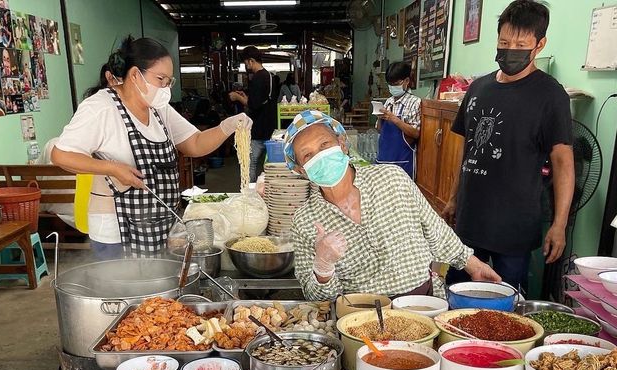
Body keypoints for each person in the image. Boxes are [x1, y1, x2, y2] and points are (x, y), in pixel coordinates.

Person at [52, 36, 251, 258]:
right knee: (127, 289)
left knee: (159, 289)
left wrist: (227, 127)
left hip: (161, 225)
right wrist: (112, 168)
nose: (165, 87)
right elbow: (61, 155)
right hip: (116, 230)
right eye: (160, 79)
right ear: (135, 75)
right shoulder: (101, 108)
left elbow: (194, 144)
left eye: (169, 81)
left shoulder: (158, 109)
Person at [284, 110, 500, 301]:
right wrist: (323, 267)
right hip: (360, 320)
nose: (320, 156)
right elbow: (314, 296)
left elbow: (436, 230)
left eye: (324, 144)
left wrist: (475, 265)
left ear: (341, 143)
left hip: (423, 304)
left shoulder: (392, 178)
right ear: (302, 170)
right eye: (308, 155)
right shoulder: (304, 221)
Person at [443, 0, 574, 293]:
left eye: (520, 43)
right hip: (470, 219)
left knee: (504, 307)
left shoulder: (550, 95)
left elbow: (563, 162)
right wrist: (454, 198)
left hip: (514, 226)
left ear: (539, 45)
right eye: (504, 41)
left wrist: (559, 224)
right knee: (456, 296)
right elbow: (466, 151)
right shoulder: (478, 88)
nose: (510, 49)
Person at [228, 46, 278, 182]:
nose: (246, 65)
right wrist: (245, 96)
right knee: (270, 166)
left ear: (251, 61)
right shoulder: (268, 76)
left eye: (246, 62)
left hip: (258, 128)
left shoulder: (258, 78)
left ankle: (249, 192)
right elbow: (260, 100)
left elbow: (253, 105)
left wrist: (237, 98)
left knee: (250, 164)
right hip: (269, 126)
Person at [376, 61, 421, 179]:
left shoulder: (415, 103)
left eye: (396, 83)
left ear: (406, 81)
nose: (392, 87)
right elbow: (380, 130)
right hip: (383, 160)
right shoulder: (388, 102)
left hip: (402, 163)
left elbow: (416, 133)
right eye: (390, 84)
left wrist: (394, 119)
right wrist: (380, 119)